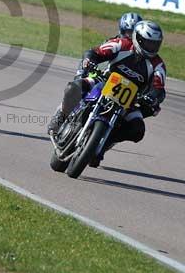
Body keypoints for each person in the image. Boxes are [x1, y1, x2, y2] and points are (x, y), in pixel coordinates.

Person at [48, 20, 166, 167]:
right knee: (74, 88)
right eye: (148, 43)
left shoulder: (157, 64)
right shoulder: (121, 44)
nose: (152, 47)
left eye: (155, 44)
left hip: (129, 100)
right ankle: (62, 115)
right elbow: (95, 52)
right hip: (103, 81)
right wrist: (90, 61)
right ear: (138, 38)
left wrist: (152, 97)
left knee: (137, 130)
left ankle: (104, 144)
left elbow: (159, 87)